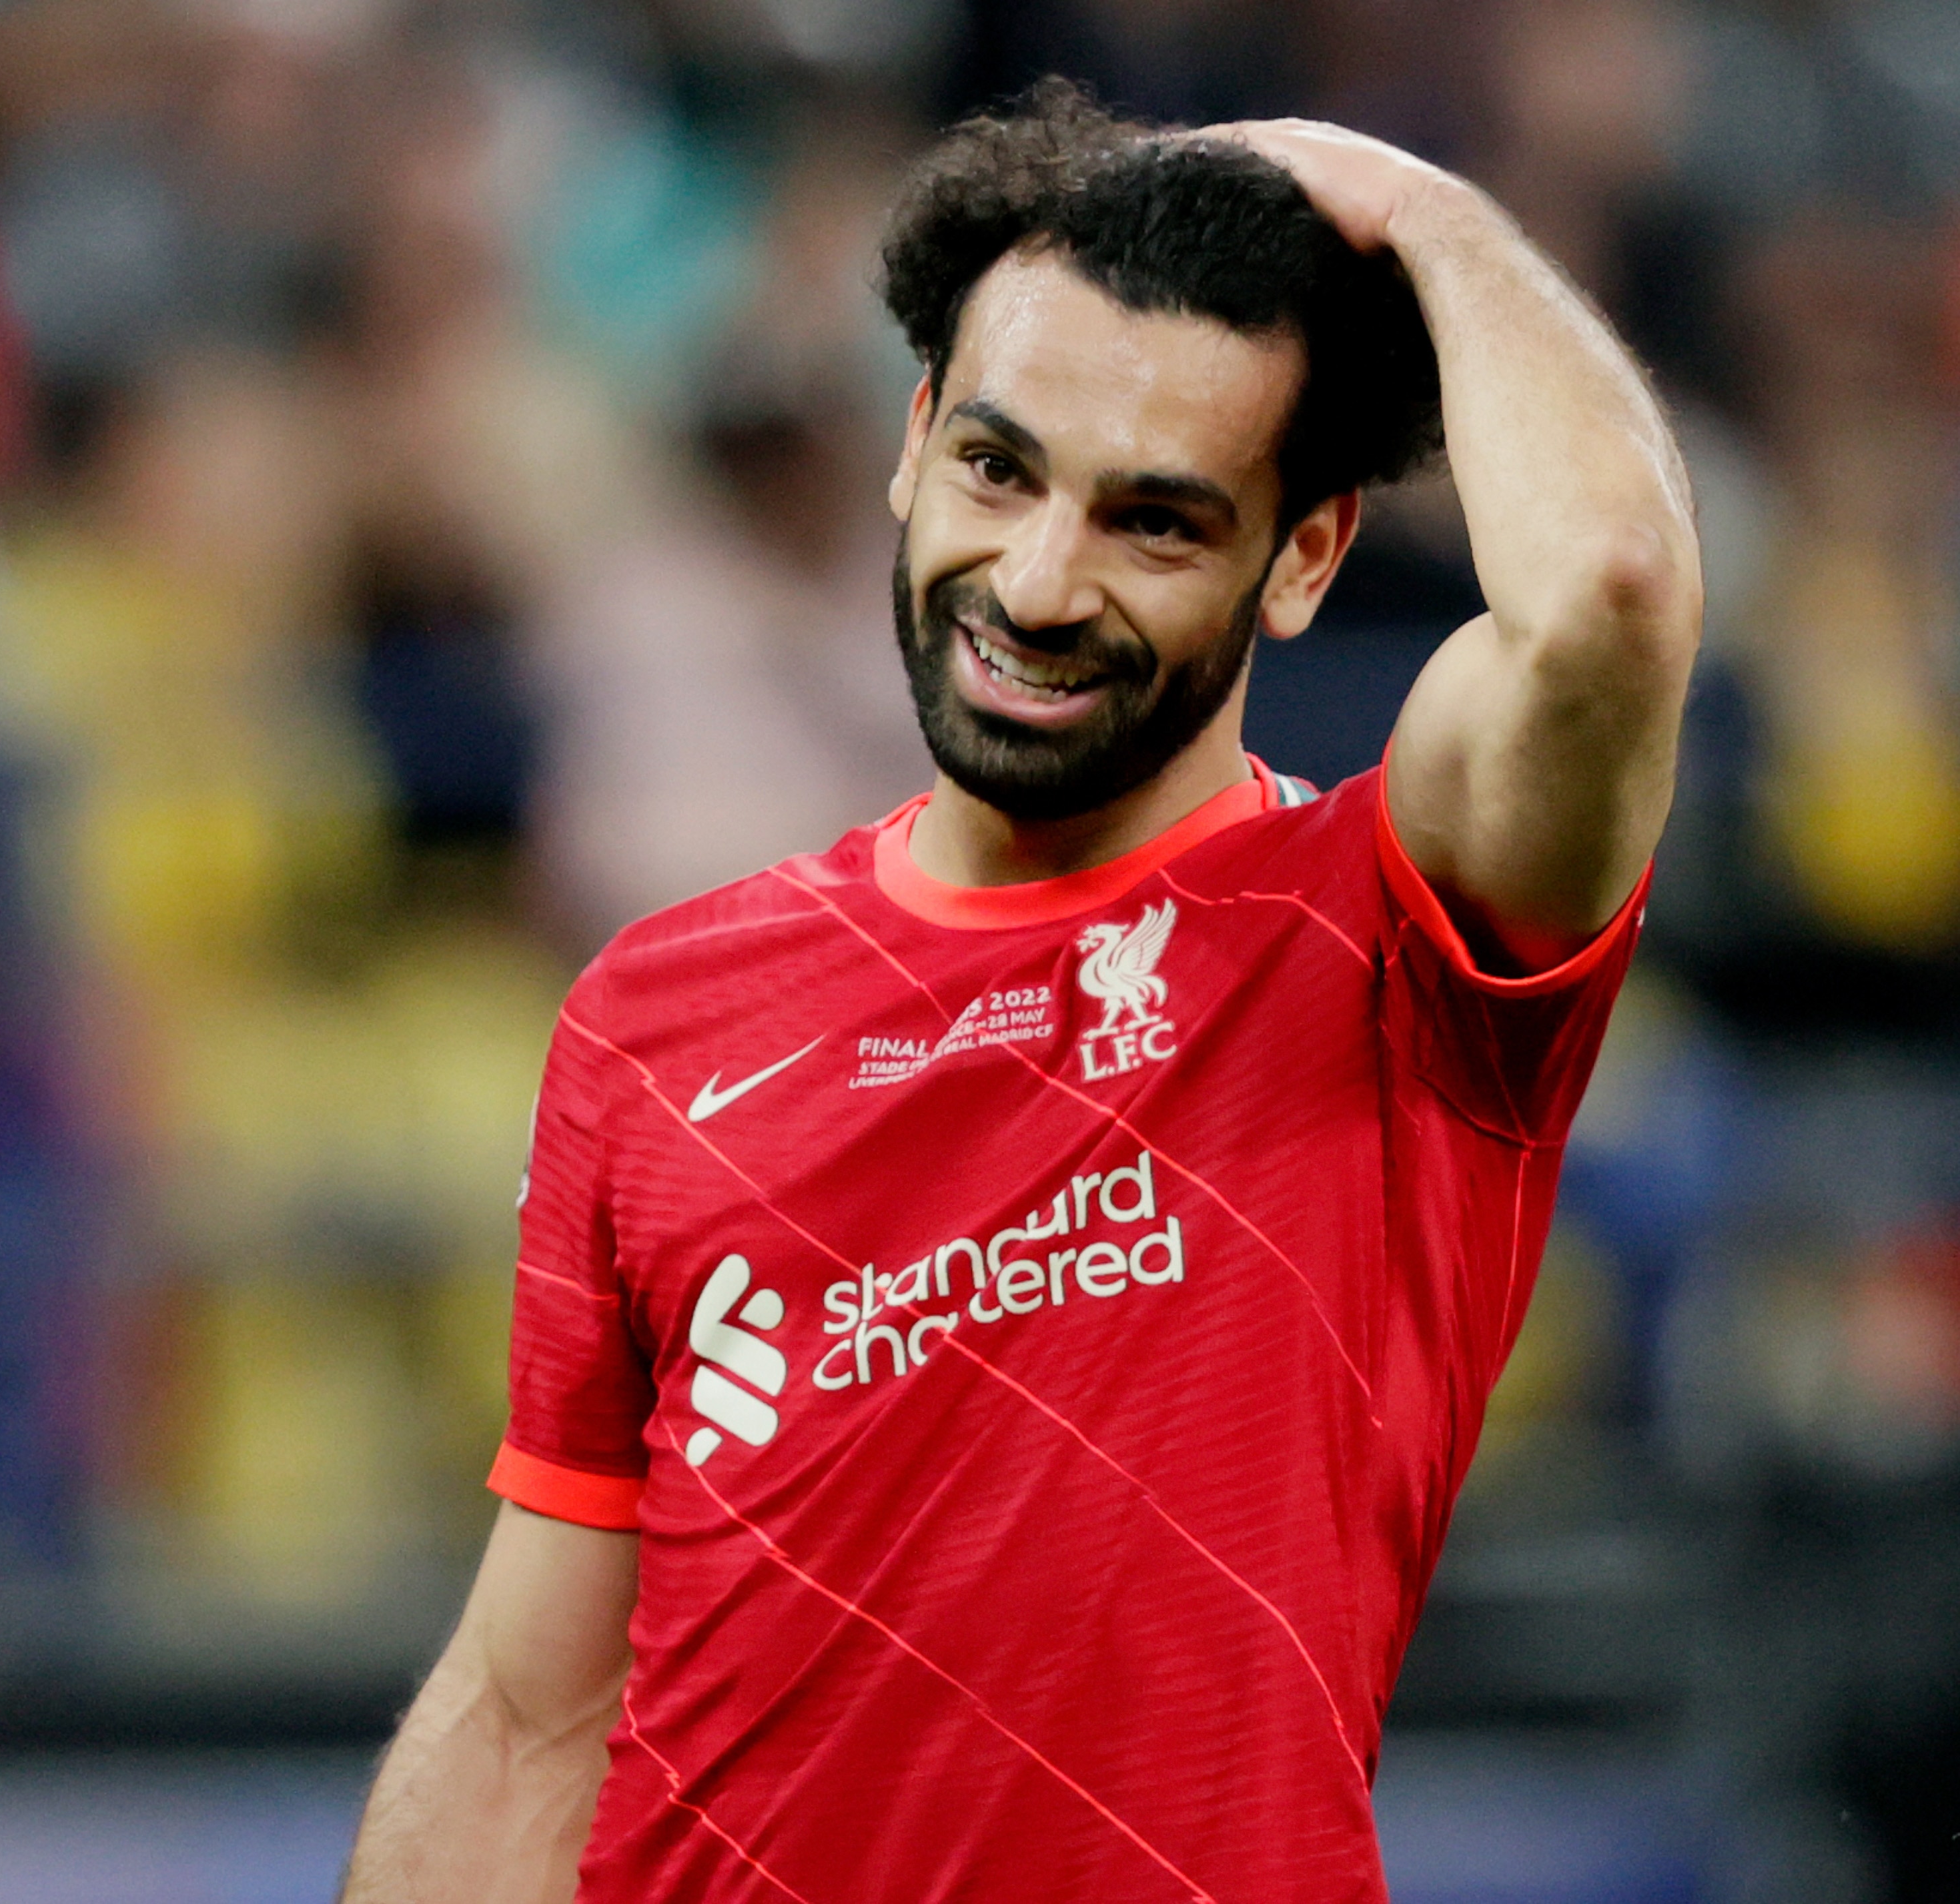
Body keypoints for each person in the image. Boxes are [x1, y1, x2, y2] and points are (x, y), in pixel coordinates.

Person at [340, 79, 1700, 1904]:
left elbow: (1606, 592)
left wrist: (1418, 210)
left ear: (1301, 558)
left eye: (1156, 522)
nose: (1040, 584)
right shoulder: (655, 1014)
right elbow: (527, 1714)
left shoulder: (1392, 931)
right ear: (912, 443)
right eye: (998, 469)